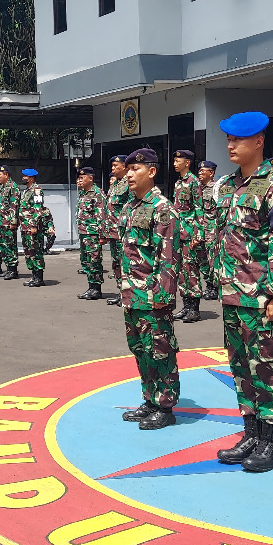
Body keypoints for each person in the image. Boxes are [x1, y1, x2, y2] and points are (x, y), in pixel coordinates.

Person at [213, 112, 273, 473]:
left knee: (264, 366)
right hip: (233, 292)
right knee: (240, 366)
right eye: (229, 140)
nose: (231, 145)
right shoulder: (231, 185)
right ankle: (252, 431)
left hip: (261, 295)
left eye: (239, 140)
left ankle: (272, 441)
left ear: (259, 142)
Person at [117, 149, 182, 431]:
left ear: (151, 172)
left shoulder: (162, 209)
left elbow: (168, 258)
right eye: (127, 169)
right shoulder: (130, 206)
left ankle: (165, 406)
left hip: (153, 296)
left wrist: (163, 297)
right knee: (140, 350)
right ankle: (150, 399)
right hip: (132, 294)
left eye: (135, 169)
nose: (129, 174)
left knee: (160, 350)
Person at [172, 150, 204, 323]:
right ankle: (186, 306)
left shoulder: (194, 182)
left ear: (187, 163)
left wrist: (198, 234)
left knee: (191, 270)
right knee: (182, 272)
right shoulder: (179, 183)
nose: (175, 163)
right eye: (174, 160)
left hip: (190, 232)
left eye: (178, 160)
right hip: (180, 232)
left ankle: (195, 309)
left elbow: (199, 209)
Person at [76, 167, 108, 300]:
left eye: (82, 178)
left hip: (93, 234)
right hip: (84, 233)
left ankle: (97, 289)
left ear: (91, 178)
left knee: (94, 260)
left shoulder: (97, 194)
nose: (79, 181)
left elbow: (101, 216)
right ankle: (91, 287)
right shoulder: (83, 194)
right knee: (86, 261)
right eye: (78, 178)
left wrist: (102, 235)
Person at [105, 155, 133, 306]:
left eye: (116, 166)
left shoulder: (129, 183)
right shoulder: (115, 184)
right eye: (112, 166)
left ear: (124, 166)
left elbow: (132, 207)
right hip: (113, 231)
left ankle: (128, 294)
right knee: (116, 263)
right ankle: (120, 292)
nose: (113, 169)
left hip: (123, 232)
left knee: (126, 264)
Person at [18, 169, 47, 287]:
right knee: (29, 252)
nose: (23, 178)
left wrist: (34, 224)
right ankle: (34, 276)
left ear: (31, 178)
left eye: (25, 176)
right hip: (25, 227)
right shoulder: (27, 191)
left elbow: (38, 209)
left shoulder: (37, 190)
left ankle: (39, 278)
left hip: (32, 227)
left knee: (36, 251)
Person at [199, 160, 221, 301]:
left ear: (211, 173)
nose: (200, 173)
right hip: (199, 227)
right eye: (199, 171)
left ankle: (214, 286)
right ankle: (208, 283)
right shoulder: (197, 187)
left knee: (212, 258)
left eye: (203, 171)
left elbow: (219, 210)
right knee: (202, 259)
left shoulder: (216, 188)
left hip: (211, 228)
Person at [0, 166, 22, 280]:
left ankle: (13, 270)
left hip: (9, 222)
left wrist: (13, 222)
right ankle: (8, 268)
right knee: (4, 246)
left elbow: (14, 206)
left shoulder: (13, 187)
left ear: (6, 174)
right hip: (2, 222)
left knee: (10, 245)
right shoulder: (2, 188)